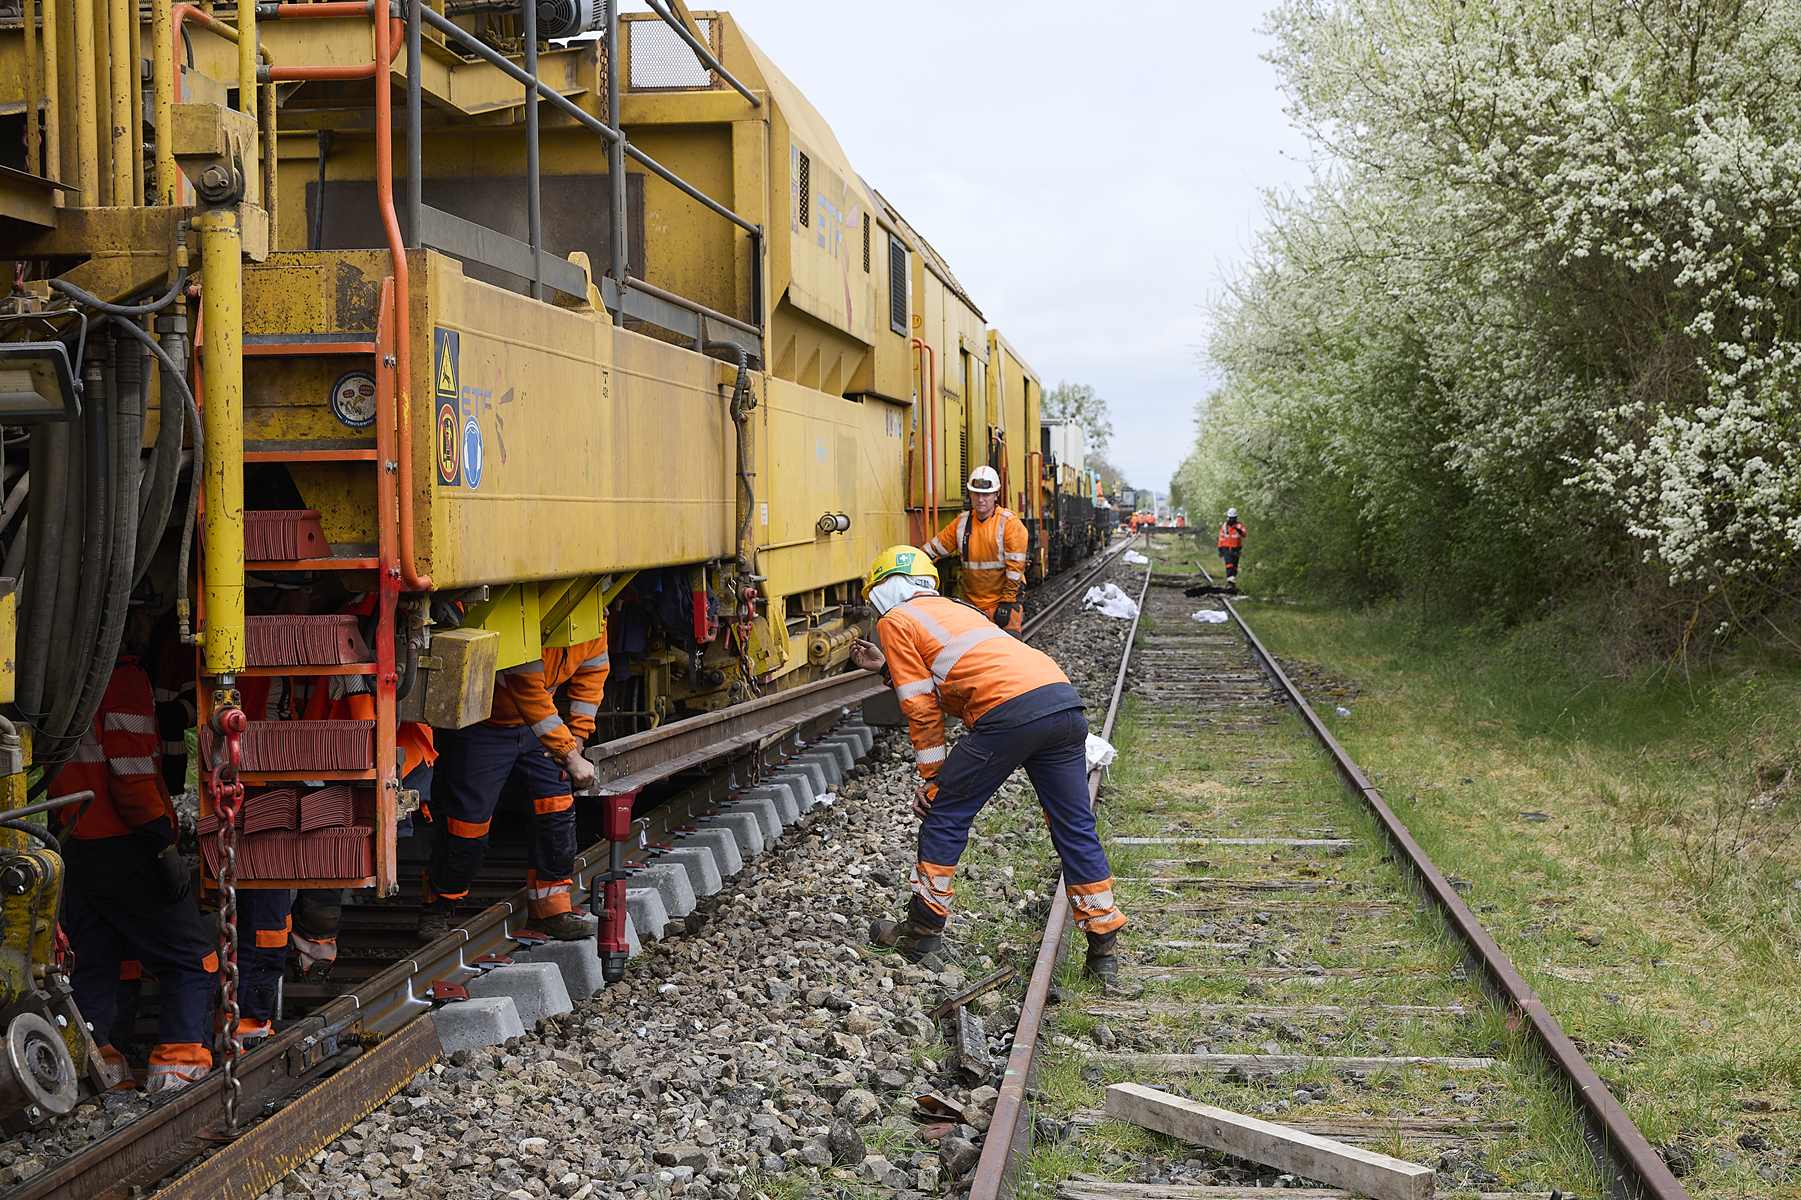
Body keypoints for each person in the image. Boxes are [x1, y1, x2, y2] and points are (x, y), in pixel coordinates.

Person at [851, 546, 1131, 987]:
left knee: (945, 814)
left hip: (1009, 713)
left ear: (883, 589)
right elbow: (962, 672)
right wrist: (888, 668)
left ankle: (922, 932)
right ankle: (1104, 953)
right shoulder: (957, 608)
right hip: (1061, 702)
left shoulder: (895, 620)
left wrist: (934, 780)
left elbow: (920, 705)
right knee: (1074, 825)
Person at [51, 658, 219, 1093]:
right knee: (192, 954)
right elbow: (130, 773)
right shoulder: (121, 676)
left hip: (77, 838)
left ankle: (99, 1062)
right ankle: (179, 1063)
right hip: (126, 841)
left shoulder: (64, 674)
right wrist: (162, 844)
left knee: (95, 957)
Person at [421, 634, 609, 940]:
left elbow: (593, 672)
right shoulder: (529, 619)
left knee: (557, 812)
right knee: (467, 827)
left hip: (538, 729)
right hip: (485, 727)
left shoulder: (594, 621)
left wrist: (577, 735)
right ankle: (438, 907)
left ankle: (551, 911)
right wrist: (569, 753)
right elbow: (528, 690)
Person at [922, 466, 1028, 635]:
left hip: (1002, 602)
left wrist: (1007, 602)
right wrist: (914, 559)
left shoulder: (1009, 524)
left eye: (986, 495)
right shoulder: (962, 523)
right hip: (972, 604)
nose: (980, 499)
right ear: (970, 495)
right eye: (976, 494)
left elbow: (1015, 570)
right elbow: (934, 549)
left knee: (1009, 648)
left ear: (996, 495)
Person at [1217, 507, 1246, 587]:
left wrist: (1238, 530)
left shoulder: (1239, 525)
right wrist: (1220, 549)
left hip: (1236, 548)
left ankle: (1232, 581)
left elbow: (1244, 534)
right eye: (1231, 518)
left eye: (1234, 518)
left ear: (1236, 517)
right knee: (1229, 564)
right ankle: (1230, 581)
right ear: (1228, 517)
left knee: (1235, 566)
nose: (1232, 520)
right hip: (1226, 548)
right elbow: (1221, 538)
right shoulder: (1224, 526)